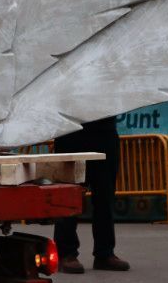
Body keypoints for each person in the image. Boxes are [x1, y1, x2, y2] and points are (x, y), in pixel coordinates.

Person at [51, 117, 129, 274]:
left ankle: (105, 254)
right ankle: (66, 253)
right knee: (69, 195)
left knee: (105, 196)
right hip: (71, 131)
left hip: (104, 131)